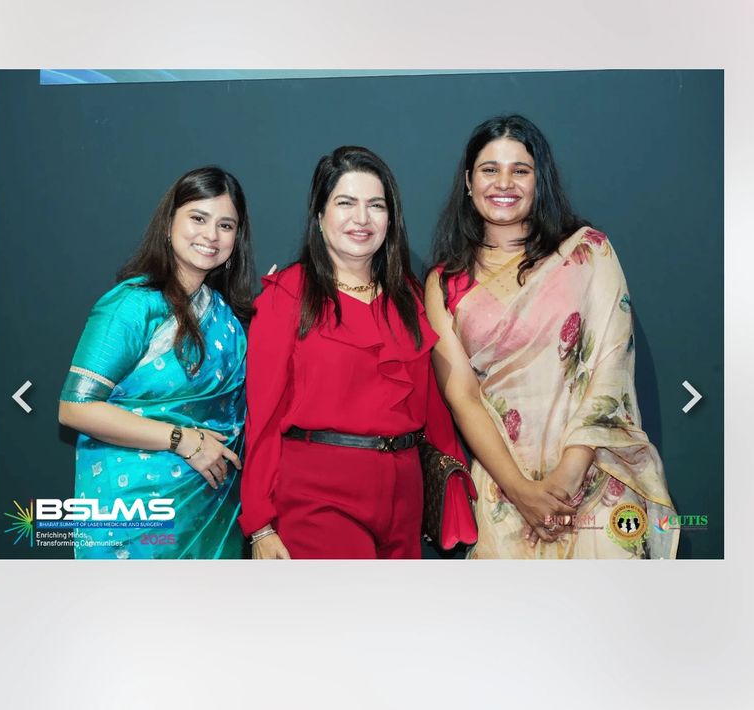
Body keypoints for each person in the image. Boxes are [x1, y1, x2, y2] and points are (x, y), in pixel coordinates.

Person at [425, 116, 678, 559]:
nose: (504, 183)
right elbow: (462, 396)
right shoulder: (446, 283)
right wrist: (521, 491)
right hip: (505, 488)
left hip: (595, 479)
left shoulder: (587, 253)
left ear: (539, 180)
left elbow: (610, 365)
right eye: (489, 169)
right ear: (468, 181)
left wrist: (567, 478)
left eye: (520, 170)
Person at [240, 144, 476, 560]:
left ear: (391, 219)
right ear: (319, 216)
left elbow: (434, 406)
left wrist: (455, 483)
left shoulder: (409, 297)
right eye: (345, 203)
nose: (362, 218)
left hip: (405, 495)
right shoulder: (287, 295)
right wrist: (259, 523)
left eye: (376, 205)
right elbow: (262, 418)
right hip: (317, 495)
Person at [58, 165, 255, 559]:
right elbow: (74, 408)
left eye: (226, 225)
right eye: (198, 218)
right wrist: (183, 440)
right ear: (169, 224)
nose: (211, 235)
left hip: (210, 514)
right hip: (136, 517)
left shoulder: (227, 317)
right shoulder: (133, 306)